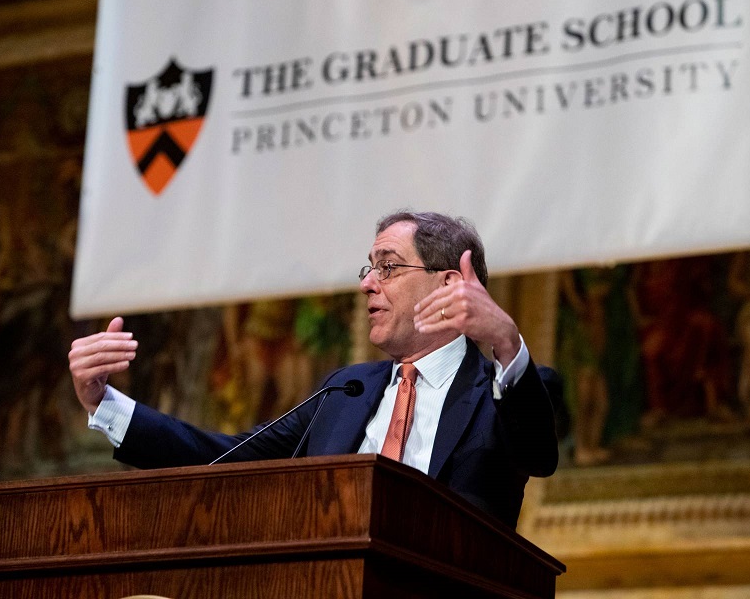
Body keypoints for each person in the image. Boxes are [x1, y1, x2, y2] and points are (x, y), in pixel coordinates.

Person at [68, 211, 562, 527]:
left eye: (387, 267)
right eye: (367, 268)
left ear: (448, 284)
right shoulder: (343, 392)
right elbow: (225, 458)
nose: (368, 283)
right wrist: (104, 404)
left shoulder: (516, 388)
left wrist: (503, 339)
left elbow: (538, 455)